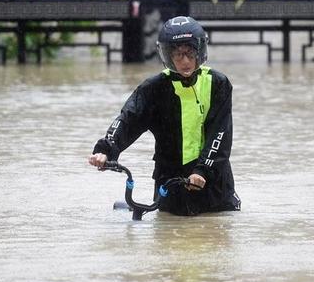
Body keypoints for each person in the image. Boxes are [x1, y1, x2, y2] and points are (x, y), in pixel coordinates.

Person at [88, 16, 241, 216]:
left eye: (189, 53)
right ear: (167, 56)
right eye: (177, 55)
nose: (185, 61)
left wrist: (202, 170)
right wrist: (106, 150)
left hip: (213, 184)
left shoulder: (218, 84)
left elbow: (220, 135)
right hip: (170, 181)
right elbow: (128, 119)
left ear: (200, 51)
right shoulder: (153, 88)